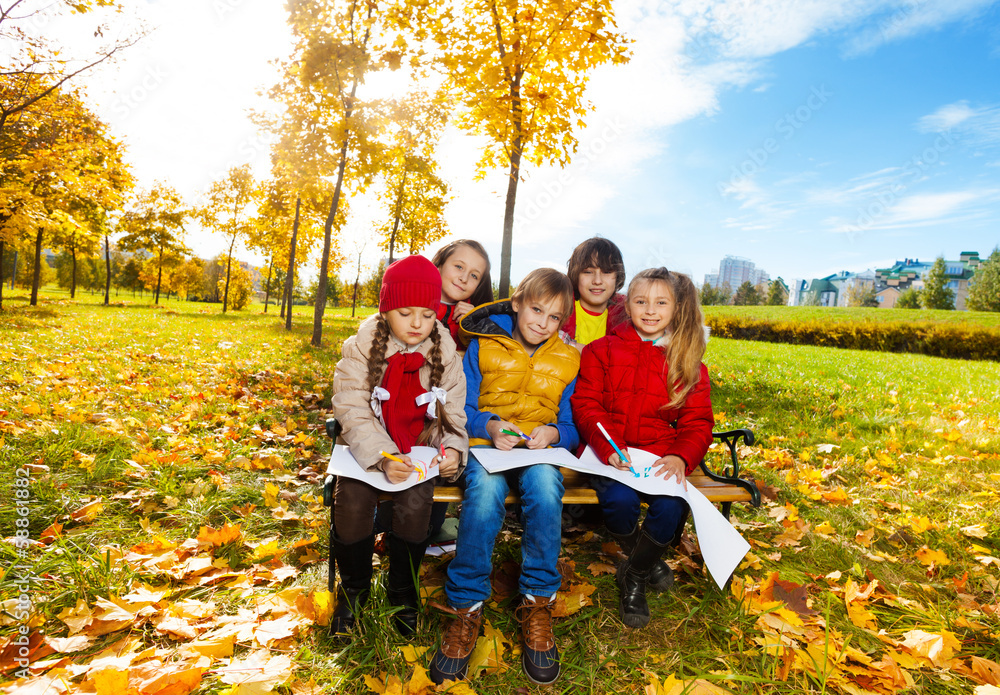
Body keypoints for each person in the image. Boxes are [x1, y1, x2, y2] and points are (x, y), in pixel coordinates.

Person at [429, 269, 580, 686]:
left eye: (554, 317)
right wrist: (492, 426)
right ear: (516, 303)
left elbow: (571, 423)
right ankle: (465, 607)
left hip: (539, 450)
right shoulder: (482, 346)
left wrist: (554, 433)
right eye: (535, 309)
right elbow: (464, 405)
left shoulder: (569, 357)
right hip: (488, 447)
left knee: (547, 490)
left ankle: (537, 601)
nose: (542, 323)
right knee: (483, 497)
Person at [330, 255, 469, 640]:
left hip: (417, 452)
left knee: (415, 505)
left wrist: (453, 450)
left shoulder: (444, 351)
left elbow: (453, 409)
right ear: (387, 309)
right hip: (368, 452)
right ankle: (353, 589)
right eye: (405, 312)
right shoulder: (361, 346)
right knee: (352, 502)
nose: (416, 323)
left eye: (427, 314)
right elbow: (351, 405)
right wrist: (383, 455)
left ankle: (402, 589)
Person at [570, 267, 713, 628]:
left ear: (676, 308)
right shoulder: (601, 350)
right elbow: (587, 405)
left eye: (660, 302)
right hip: (612, 456)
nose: (650, 310)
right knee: (620, 503)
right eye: (641, 301)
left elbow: (698, 422)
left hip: (660, 456)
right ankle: (647, 561)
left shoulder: (686, 359)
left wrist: (680, 456)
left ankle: (633, 575)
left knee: (669, 508)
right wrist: (609, 447)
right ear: (626, 305)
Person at [562, 236, 628, 350]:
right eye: (588, 272)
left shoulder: (628, 317)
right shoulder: (558, 308)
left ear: (617, 276)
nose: (597, 281)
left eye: (607, 272)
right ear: (575, 274)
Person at [432, 239, 493, 348]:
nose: (464, 278)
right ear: (440, 265)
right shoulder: (410, 300)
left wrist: (474, 325)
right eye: (459, 267)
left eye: (474, 276)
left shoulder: (477, 318)